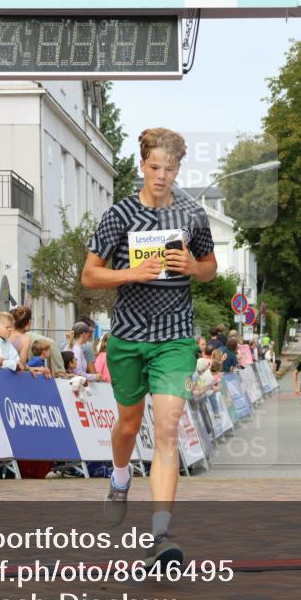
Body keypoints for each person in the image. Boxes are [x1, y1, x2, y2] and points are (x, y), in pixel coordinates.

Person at [80, 126, 216, 570]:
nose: (162, 175)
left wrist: (194, 266)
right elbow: (89, 276)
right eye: (154, 167)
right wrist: (130, 275)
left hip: (174, 338)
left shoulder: (193, 216)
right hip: (127, 338)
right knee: (127, 424)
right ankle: (120, 479)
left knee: (168, 428)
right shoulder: (119, 216)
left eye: (170, 168)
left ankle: (160, 535)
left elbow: (211, 269)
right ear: (142, 166)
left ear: (179, 169)